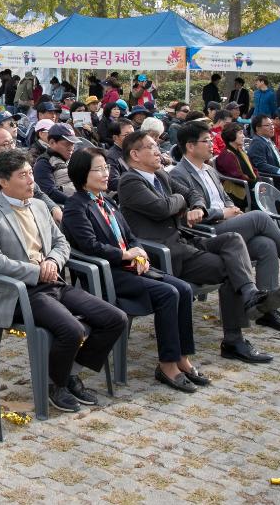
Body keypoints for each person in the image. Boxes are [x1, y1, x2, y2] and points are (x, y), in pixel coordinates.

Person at [0, 149, 128, 412]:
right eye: (23, 175)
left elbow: (61, 242)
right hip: (19, 292)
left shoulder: (39, 205)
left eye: (31, 173)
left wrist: (53, 261)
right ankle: (54, 384)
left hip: (52, 282)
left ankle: (69, 372)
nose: (31, 180)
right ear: (2, 181)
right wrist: (35, 271)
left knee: (115, 319)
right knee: (72, 330)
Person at [115, 129, 280, 364]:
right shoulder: (130, 181)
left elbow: (191, 192)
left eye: (157, 146)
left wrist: (198, 206)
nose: (158, 151)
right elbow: (162, 208)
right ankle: (234, 340)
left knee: (233, 240)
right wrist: (182, 202)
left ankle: (250, 295)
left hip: (185, 241)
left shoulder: (161, 176)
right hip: (164, 254)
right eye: (151, 147)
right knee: (231, 268)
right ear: (135, 155)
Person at [61, 147, 210, 393]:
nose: (105, 173)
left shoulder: (106, 201)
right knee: (167, 294)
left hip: (131, 268)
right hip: (107, 275)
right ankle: (166, 364)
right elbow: (89, 245)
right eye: (98, 169)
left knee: (182, 288)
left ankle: (182, 357)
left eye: (106, 168)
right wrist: (124, 255)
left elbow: (130, 236)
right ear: (81, 174)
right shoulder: (76, 207)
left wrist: (138, 251)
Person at [168, 121, 280, 333]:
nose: (212, 144)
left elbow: (225, 197)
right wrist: (223, 213)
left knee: (266, 245)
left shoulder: (210, 170)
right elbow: (188, 217)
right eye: (207, 141)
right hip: (209, 232)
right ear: (190, 146)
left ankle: (265, 309)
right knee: (259, 217)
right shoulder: (178, 174)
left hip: (230, 223)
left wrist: (232, 209)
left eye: (212, 140)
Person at [0, 127, 64, 222]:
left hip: (29, 214)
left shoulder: (20, 166)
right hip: (3, 222)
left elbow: (38, 193)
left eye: (12, 142)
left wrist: (53, 208)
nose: (12, 148)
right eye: (6, 144)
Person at [214, 122, 257, 209]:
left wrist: (258, 182)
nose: (244, 136)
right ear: (231, 135)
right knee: (263, 204)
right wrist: (255, 186)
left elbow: (253, 169)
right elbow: (238, 177)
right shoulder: (226, 155)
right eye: (240, 133)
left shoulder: (240, 151)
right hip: (237, 192)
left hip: (249, 186)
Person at [32, 122, 77, 204]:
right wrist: (75, 202)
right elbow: (48, 192)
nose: (71, 148)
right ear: (52, 143)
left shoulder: (74, 158)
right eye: (67, 144)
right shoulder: (43, 163)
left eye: (73, 144)